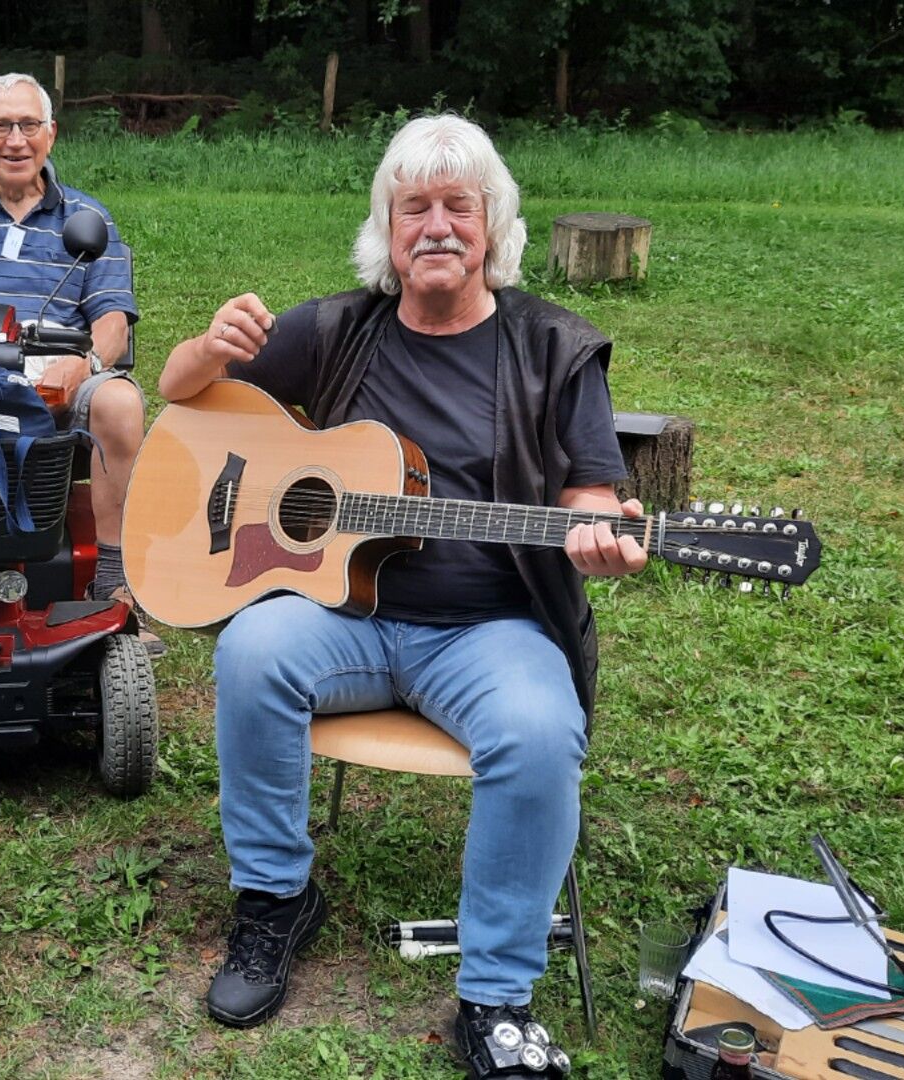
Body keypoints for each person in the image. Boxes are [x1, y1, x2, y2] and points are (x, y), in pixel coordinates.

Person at [155, 116, 646, 1076]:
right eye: (412, 206)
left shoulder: (555, 348)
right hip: (346, 618)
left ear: (493, 226)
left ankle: (496, 995)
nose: (435, 226)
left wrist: (600, 533)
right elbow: (178, 392)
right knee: (251, 654)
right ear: (386, 228)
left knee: (540, 734)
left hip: (488, 630)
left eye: (458, 207)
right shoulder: (336, 328)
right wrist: (210, 348)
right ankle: (273, 899)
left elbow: (591, 490)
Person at [0, 72, 161, 654]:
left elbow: (113, 319)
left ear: (51, 134)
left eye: (28, 125)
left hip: (63, 379)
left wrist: (87, 362)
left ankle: (115, 581)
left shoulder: (89, 218)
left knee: (119, 401)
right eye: (0, 126)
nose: (15, 139)